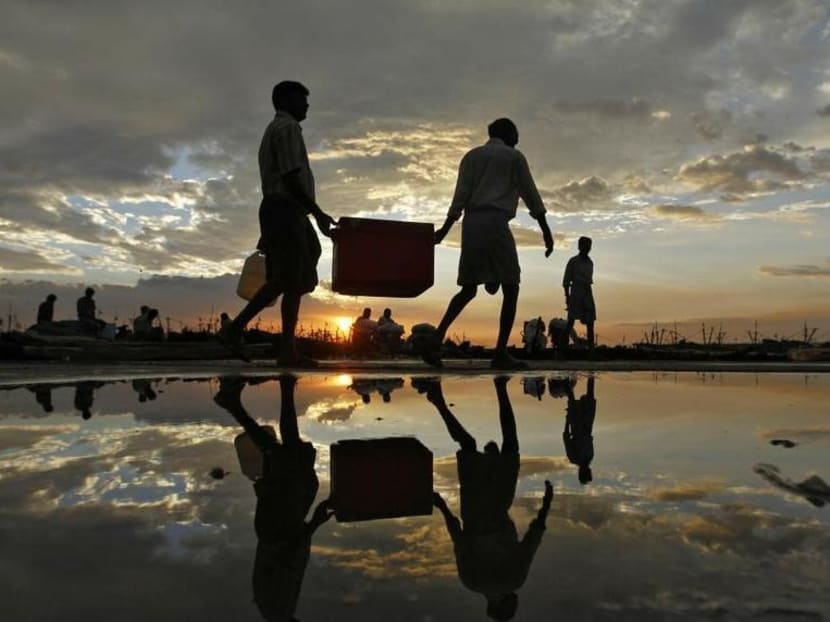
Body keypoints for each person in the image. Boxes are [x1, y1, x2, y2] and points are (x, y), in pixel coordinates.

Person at [217, 81, 336, 367]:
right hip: (284, 208)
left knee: (298, 273)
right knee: (286, 280)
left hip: (286, 211)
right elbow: (290, 178)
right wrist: (317, 212)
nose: (307, 105)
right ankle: (237, 331)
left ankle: (286, 348)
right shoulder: (287, 129)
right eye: (301, 99)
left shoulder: (281, 129)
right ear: (285, 100)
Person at [415, 377, 553, 621]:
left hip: (498, 505)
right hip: (473, 508)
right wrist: (442, 506)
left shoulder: (514, 580)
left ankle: (501, 388)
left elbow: (532, 541)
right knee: (468, 445)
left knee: (510, 446)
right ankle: (439, 403)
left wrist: (547, 504)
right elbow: (458, 538)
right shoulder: (471, 581)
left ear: (506, 606)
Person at [429, 118, 554, 370]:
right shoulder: (513, 157)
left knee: (468, 289)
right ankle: (499, 353)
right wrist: (545, 231)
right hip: (496, 223)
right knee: (511, 286)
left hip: (472, 224)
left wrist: (443, 230)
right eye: (516, 133)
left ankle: (435, 340)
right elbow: (531, 194)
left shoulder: (471, 157)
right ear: (508, 133)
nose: (518, 139)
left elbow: (460, 196)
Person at [213, 375, 333, 620]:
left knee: (286, 454)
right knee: (283, 455)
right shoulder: (276, 611)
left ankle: (284, 387)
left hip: (279, 526)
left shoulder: (278, 610)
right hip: (281, 524)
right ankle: (234, 403)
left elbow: (286, 556)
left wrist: (315, 524)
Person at [563, 236, 596, 351]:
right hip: (576, 291)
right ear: (579, 246)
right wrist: (567, 296)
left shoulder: (590, 262)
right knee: (571, 321)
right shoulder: (573, 261)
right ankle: (562, 350)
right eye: (584, 245)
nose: (587, 248)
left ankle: (591, 351)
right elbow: (566, 281)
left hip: (587, 291)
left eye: (589, 245)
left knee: (590, 321)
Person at [563, 376, 596, 485]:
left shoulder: (574, 458)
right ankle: (591, 374)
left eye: (588, 473)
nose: (589, 470)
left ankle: (565, 378)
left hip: (576, 426)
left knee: (570, 395)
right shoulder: (590, 457)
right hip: (587, 426)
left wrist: (567, 420)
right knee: (590, 397)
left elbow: (566, 437)